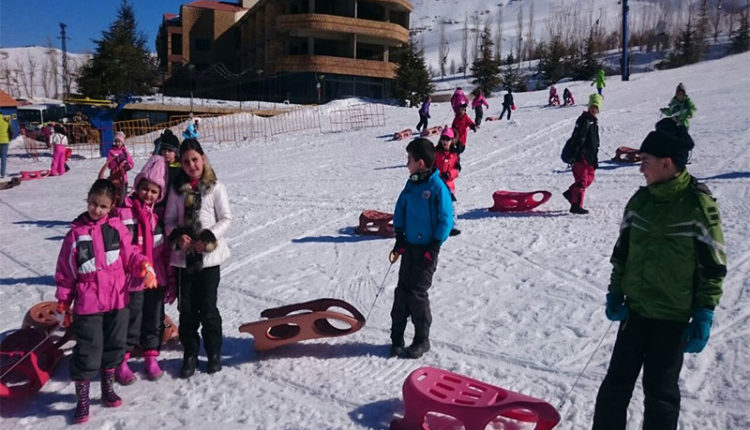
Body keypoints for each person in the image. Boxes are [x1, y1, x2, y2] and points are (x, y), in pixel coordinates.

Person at [592, 120, 725, 430]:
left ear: (667, 163)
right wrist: (615, 292)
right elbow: (621, 253)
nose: (641, 169)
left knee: (661, 395)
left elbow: (713, 267)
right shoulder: (640, 202)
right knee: (614, 388)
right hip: (635, 312)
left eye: (646, 162)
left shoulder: (698, 207)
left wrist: (704, 313)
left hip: (672, 319)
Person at [54, 179, 155, 424]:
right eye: (93, 204)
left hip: (118, 299)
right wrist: (63, 302)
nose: (96, 210)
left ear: (111, 207)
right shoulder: (75, 235)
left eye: (102, 206)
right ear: (87, 201)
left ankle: (107, 388)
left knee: (115, 346)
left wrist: (143, 265)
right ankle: (83, 399)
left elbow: (130, 255)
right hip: (88, 303)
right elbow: (65, 272)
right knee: (88, 350)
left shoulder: (117, 228)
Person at [165, 138, 232, 378]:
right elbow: (170, 220)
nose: (191, 165)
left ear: (203, 158)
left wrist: (209, 237)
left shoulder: (215, 187)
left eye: (195, 159)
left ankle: (214, 352)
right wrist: (177, 236)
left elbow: (226, 219)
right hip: (185, 260)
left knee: (208, 308)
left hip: (208, 259)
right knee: (188, 310)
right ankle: (190, 353)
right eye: (186, 162)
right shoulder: (176, 189)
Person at [390, 138, 453, 359]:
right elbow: (400, 208)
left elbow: (446, 219)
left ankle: (421, 339)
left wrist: (434, 246)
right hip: (409, 247)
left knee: (417, 293)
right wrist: (399, 235)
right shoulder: (411, 184)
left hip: (427, 249)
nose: (407, 163)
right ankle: (396, 337)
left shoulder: (436, 186)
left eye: (409, 159)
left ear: (421, 162)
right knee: (402, 291)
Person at [113, 155, 173, 385]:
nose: (148, 194)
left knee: (154, 318)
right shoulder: (124, 212)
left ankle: (150, 356)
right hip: (133, 277)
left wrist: (167, 278)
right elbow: (122, 246)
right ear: (137, 186)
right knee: (132, 318)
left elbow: (164, 249)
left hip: (155, 276)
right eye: (145, 189)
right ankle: (123, 361)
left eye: (154, 191)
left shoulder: (157, 216)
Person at [562, 94, 602, 214]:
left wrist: (594, 158)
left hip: (590, 157)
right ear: (589, 107)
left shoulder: (594, 122)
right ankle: (576, 205)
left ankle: (571, 193)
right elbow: (578, 138)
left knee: (590, 178)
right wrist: (576, 154)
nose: (594, 109)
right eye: (592, 106)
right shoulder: (584, 120)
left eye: (596, 107)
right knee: (582, 181)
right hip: (581, 156)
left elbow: (595, 142)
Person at [435, 127, 462, 236]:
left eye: (447, 139)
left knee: (451, 205)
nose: (445, 141)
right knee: (437, 204)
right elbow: (431, 166)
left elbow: (458, 169)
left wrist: (449, 174)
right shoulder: (436, 153)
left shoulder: (454, 155)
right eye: (443, 138)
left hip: (449, 185)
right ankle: (437, 225)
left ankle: (453, 226)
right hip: (437, 184)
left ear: (452, 140)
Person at [99, 131, 134, 205]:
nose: (118, 143)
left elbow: (131, 163)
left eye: (119, 142)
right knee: (114, 195)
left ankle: (121, 206)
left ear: (122, 142)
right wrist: (115, 162)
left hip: (123, 177)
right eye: (116, 141)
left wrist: (126, 165)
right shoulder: (111, 151)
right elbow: (109, 165)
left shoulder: (125, 152)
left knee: (122, 195)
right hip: (114, 177)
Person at [155, 131, 181, 219]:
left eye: (169, 151)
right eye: (164, 150)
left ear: (176, 152)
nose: (166, 153)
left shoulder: (180, 168)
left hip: (176, 203)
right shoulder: (159, 166)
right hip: (161, 202)